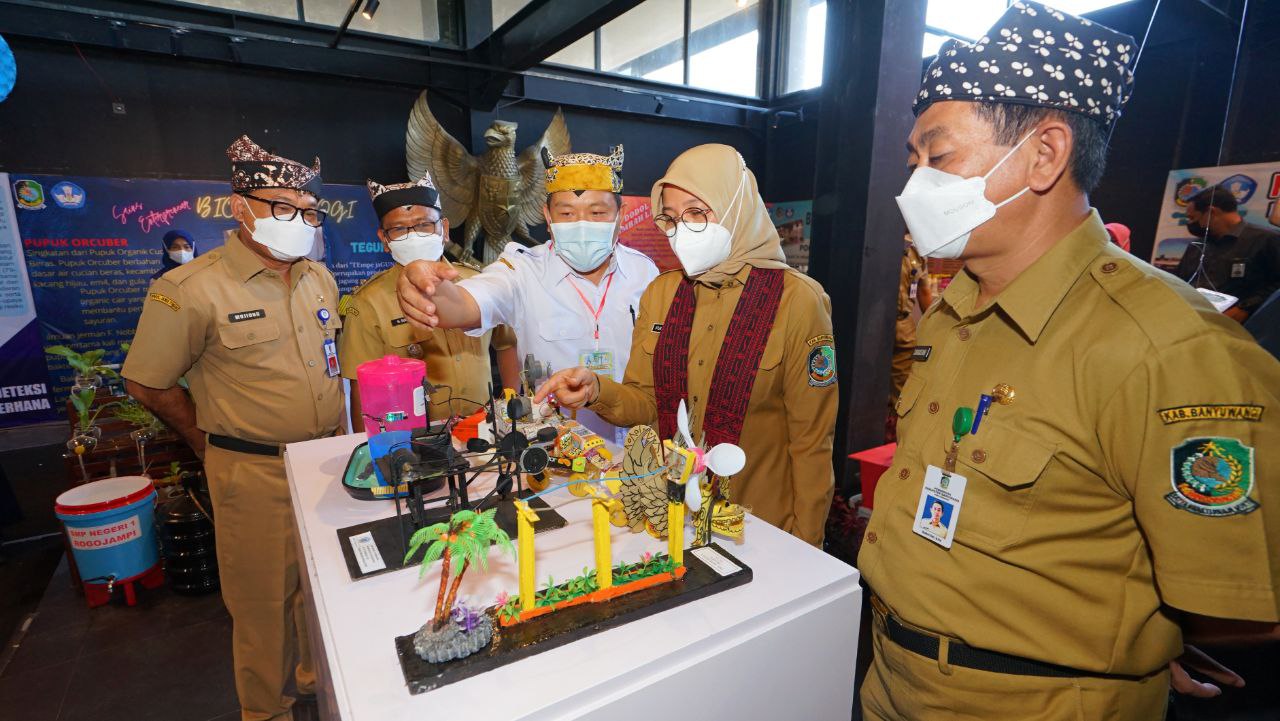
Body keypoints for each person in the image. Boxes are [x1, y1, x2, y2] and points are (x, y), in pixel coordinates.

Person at [860, 3, 1280, 719]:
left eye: (940, 156)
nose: (914, 185)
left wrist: (1145, 633)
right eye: (914, 161)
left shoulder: (1165, 347)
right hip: (892, 679)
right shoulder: (951, 311)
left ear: (1046, 155)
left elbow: (1242, 597)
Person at [122, 135, 342, 721]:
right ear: (241, 205)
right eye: (282, 207)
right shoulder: (189, 290)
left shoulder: (317, 277)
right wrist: (205, 440)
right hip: (252, 469)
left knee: (319, 589)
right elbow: (147, 383)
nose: (298, 220)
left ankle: (317, 686)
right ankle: (264, 711)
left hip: (322, 464)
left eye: (309, 210)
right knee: (263, 602)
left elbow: (327, 362)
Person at [532, 144, 838, 545]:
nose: (681, 230)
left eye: (697, 213)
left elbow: (812, 444)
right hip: (671, 517)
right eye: (672, 218)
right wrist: (596, 390)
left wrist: (807, 548)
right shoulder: (662, 293)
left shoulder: (796, 300)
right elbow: (649, 405)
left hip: (759, 529)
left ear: (734, 207)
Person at [395, 145, 659, 444]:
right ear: (547, 216)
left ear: (620, 214)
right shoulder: (521, 270)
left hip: (640, 443)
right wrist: (425, 286)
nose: (581, 224)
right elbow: (466, 303)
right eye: (567, 213)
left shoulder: (646, 273)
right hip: (557, 451)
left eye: (597, 212)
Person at [339, 174, 517, 429]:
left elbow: (507, 342)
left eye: (424, 224)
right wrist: (369, 448)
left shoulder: (478, 282)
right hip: (417, 437)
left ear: (443, 229)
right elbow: (361, 387)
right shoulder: (369, 302)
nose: (414, 235)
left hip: (486, 428)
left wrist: (512, 405)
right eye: (399, 229)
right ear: (384, 239)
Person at [1176, 184, 1280, 323]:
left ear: (1211, 212)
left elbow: (1277, 285)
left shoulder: (1266, 239)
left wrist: (1245, 308)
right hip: (1195, 324)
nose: (1190, 223)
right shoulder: (1196, 246)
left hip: (1245, 329)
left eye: (1193, 218)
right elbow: (1179, 283)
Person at [890, 236, 932, 413]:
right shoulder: (878, 239)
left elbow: (923, 291)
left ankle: (896, 430)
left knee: (903, 387)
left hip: (904, 325)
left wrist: (933, 327)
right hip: (873, 326)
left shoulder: (916, 250)